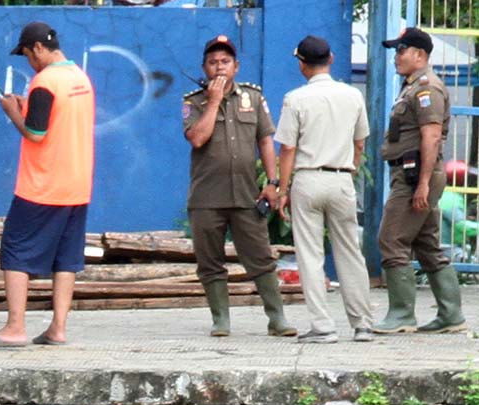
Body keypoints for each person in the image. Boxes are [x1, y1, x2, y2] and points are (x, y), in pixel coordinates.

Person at [0, 21, 94, 348]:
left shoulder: (45, 81)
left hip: (42, 184)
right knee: (65, 258)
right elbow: (58, 121)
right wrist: (27, 107)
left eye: (28, 55)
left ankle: (14, 328)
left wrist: (13, 111)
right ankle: (58, 328)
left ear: (39, 49)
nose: (29, 62)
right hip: (77, 184)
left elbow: (36, 133)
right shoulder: (79, 79)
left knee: (14, 250)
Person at [182, 35, 296, 338]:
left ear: (236, 66)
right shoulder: (193, 102)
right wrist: (214, 101)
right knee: (210, 263)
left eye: (225, 62)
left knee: (260, 258)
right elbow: (197, 138)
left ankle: (277, 319)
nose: (219, 67)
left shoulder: (254, 98)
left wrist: (272, 184)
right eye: (213, 62)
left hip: (247, 195)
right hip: (207, 197)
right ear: (204, 67)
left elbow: (265, 141)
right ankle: (221, 320)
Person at [273, 36, 374, 344]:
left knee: (310, 254)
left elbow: (288, 147)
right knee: (350, 252)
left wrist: (282, 187)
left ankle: (323, 326)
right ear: (330, 59)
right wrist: (352, 166)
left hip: (308, 179)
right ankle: (363, 325)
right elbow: (360, 141)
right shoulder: (352, 95)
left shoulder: (295, 99)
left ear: (302, 64)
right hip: (342, 178)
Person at [373, 27, 465, 334]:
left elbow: (431, 136)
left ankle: (401, 315)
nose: (397, 57)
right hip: (412, 174)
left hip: (416, 176)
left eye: (401, 51)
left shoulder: (427, 89)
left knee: (391, 239)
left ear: (419, 55)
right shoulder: (411, 87)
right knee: (426, 244)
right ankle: (451, 315)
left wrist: (423, 183)